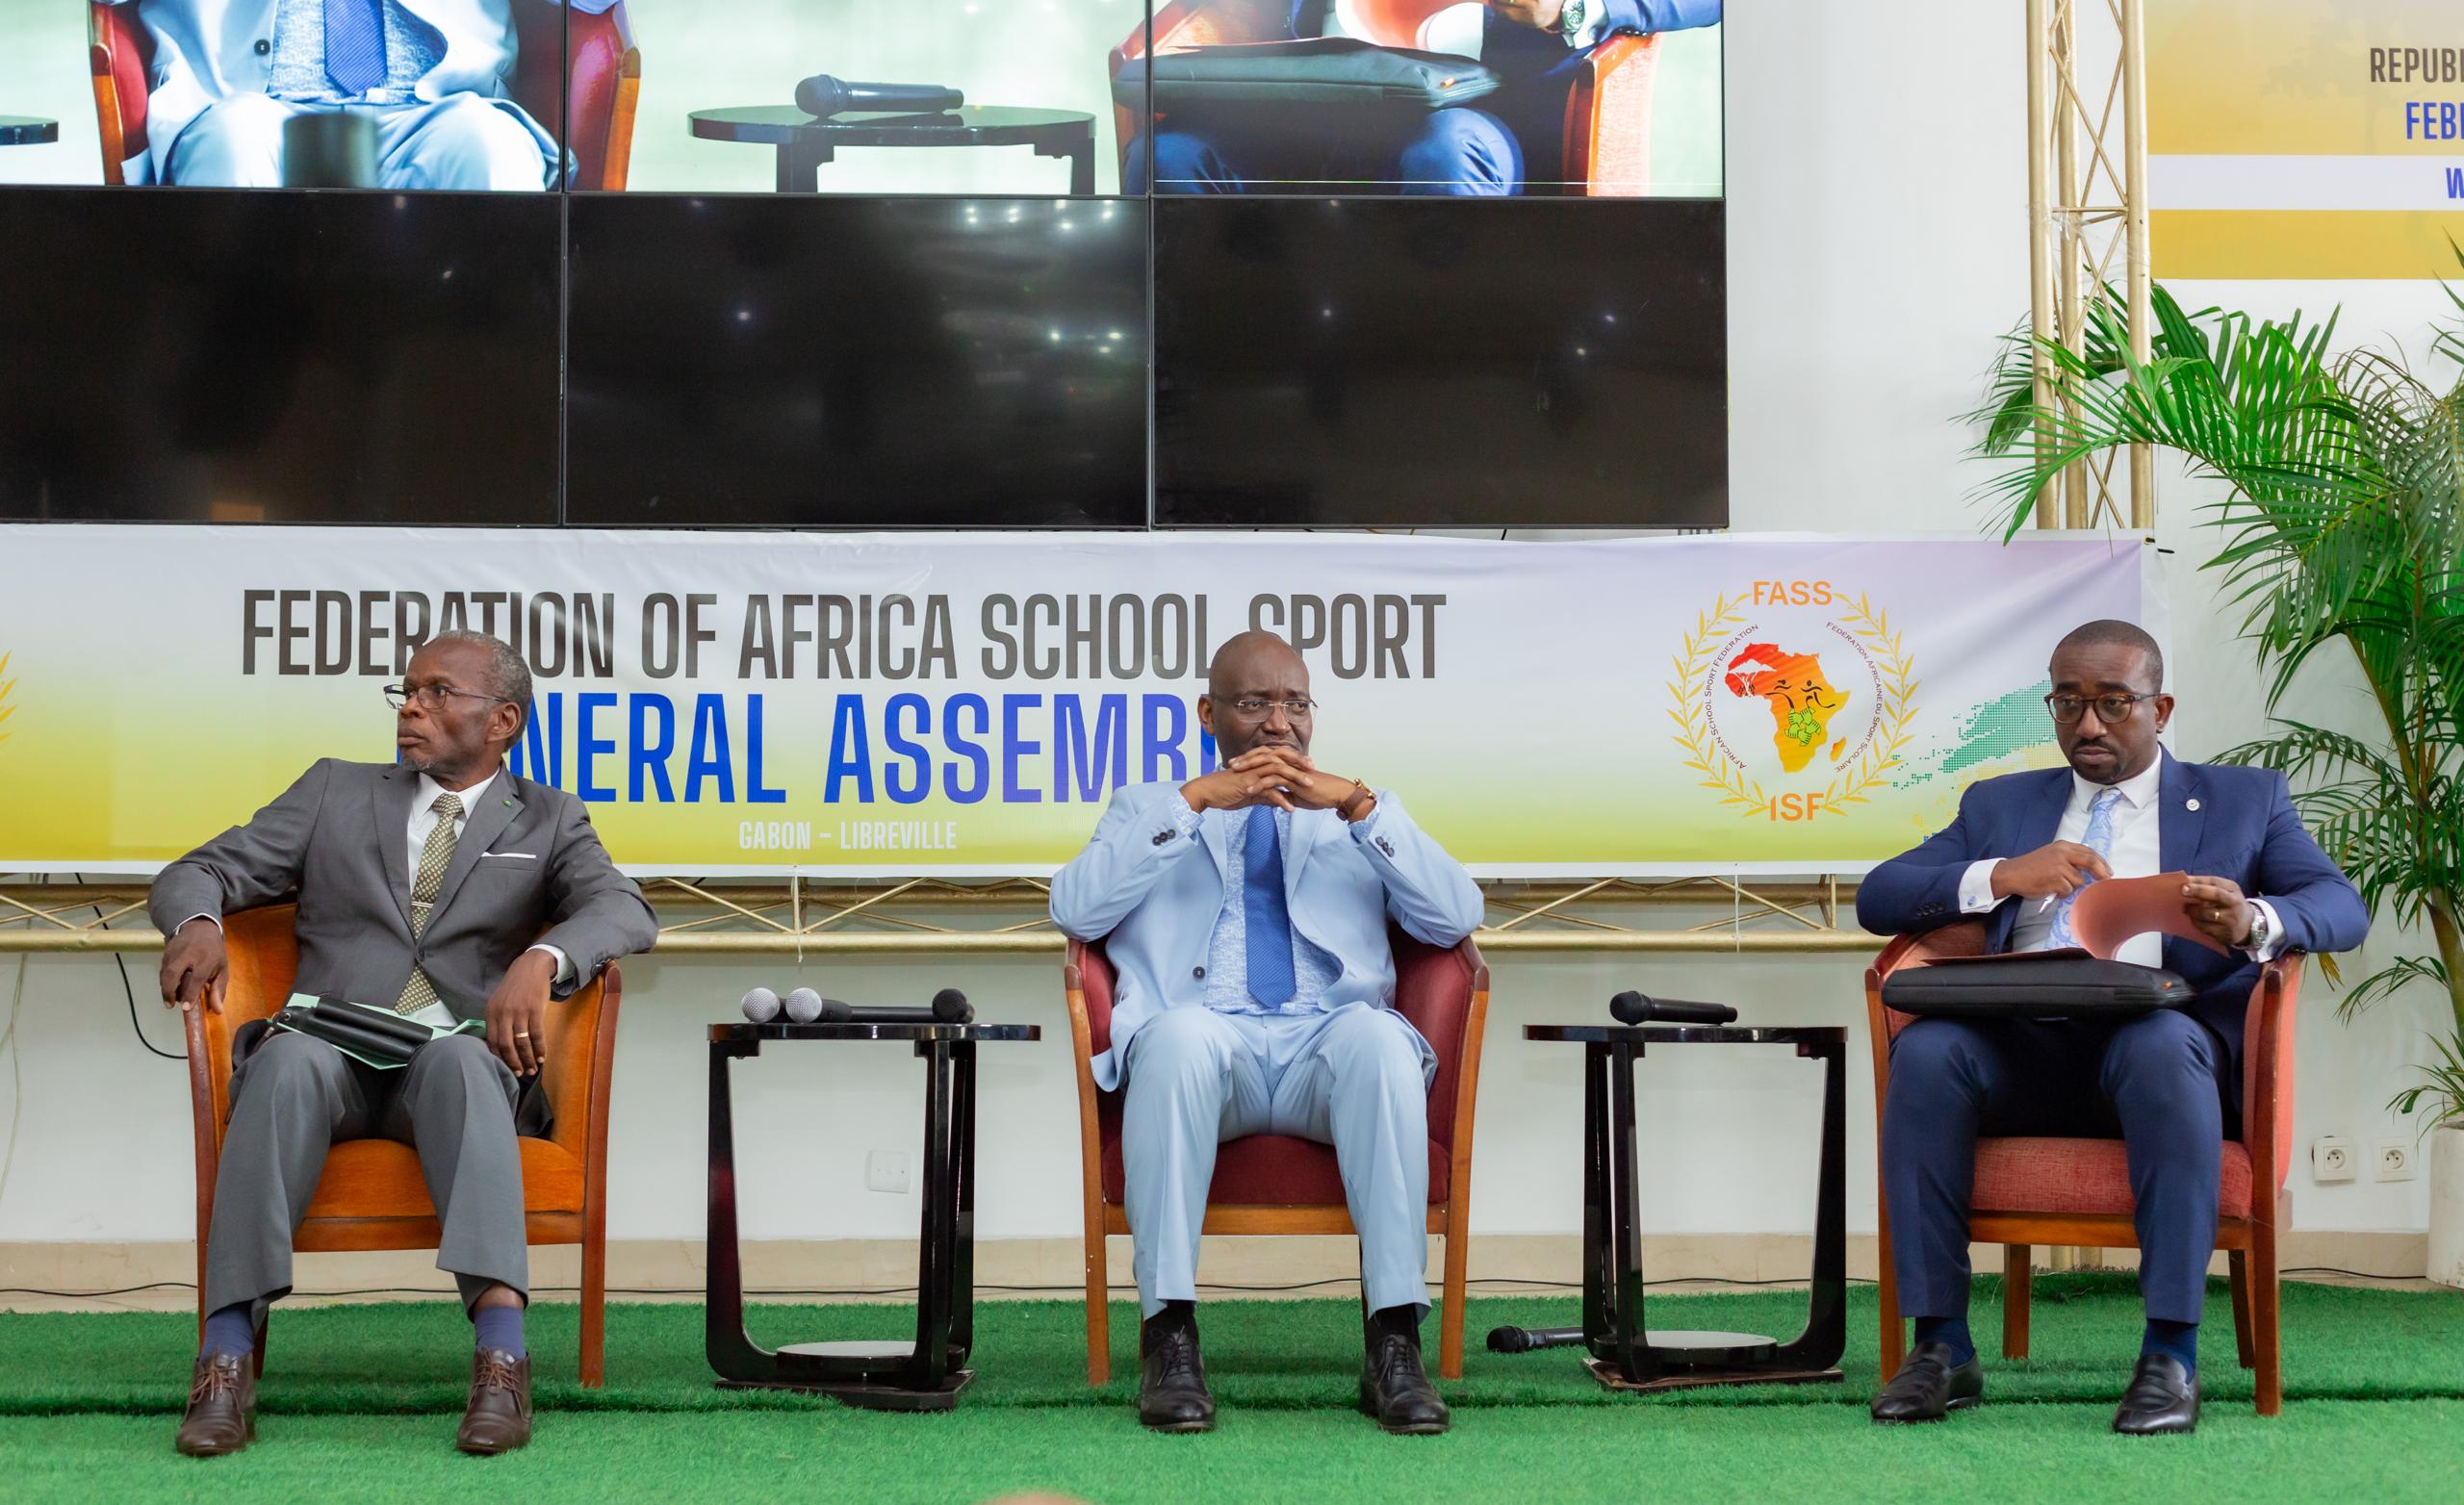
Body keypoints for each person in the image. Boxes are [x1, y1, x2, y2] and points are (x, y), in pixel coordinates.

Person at [1856, 619, 2369, 1436]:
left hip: (2156, 1051)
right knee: (1927, 1049)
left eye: (2113, 703)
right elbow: (1879, 895)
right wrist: (2003, 873)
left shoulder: (2244, 800)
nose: (2088, 724)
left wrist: (2251, 920)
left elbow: (2341, 906)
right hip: (2019, 1050)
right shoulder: (2002, 804)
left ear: (2159, 709)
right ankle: (1942, 1347)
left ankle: (2170, 1356)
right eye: (2068, 703)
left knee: (2160, 1044)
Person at [152, 629, 656, 1457]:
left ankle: (502, 1364)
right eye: (407, 691)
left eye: (436, 693)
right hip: (332, 1048)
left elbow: (624, 908)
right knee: (283, 1061)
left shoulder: (549, 817)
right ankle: (225, 1363)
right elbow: (197, 870)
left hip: (448, 1059)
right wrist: (201, 920)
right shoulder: (334, 791)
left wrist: (542, 959)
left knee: (463, 1062)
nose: (411, 707)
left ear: (502, 721)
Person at [1048, 629, 1484, 1435]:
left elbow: (1456, 918)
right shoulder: (1148, 807)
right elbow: (1075, 909)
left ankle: (1394, 1345)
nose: (1279, 723)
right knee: (1176, 1038)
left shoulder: (1356, 812)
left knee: (1381, 1040)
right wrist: (1191, 804)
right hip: (1211, 1050)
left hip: (1326, 1048)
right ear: (1208, 713)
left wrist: (1359, 809)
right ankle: (1170, 1340)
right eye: (1254, 703)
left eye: (1295, 704)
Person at [1128, 0, 1723, 195]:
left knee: (1445, 156)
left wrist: (1573, 8)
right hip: (1308, 95)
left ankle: (1423, 393)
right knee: (1166, 157)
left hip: (1477, 107)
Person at [104, 0, 623, 189]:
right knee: (232, 146)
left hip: (444, 108)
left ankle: (497, 391)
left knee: (490, 149)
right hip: (241, 100)